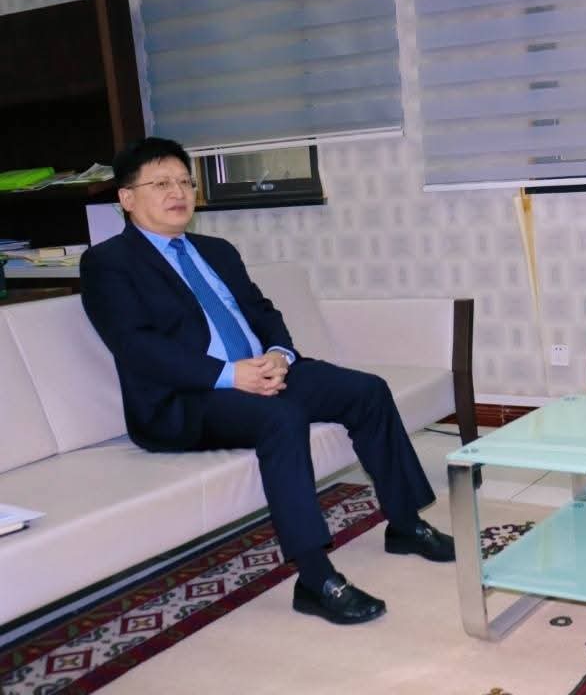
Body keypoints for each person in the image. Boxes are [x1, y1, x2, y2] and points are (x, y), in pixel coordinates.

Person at [81, 137, 455, 625]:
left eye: (185, 182)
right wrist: (229, 374)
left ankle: (404, 523)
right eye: (161, 184)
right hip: (186, 399)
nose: (178, 192)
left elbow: (261, 311)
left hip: (258, 371)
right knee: (282, 417)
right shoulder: (108, 263)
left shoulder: (216, 250)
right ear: (126, 198)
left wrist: (279, 355)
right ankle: (316, 578)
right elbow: (137, 346)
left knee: (366, 390)